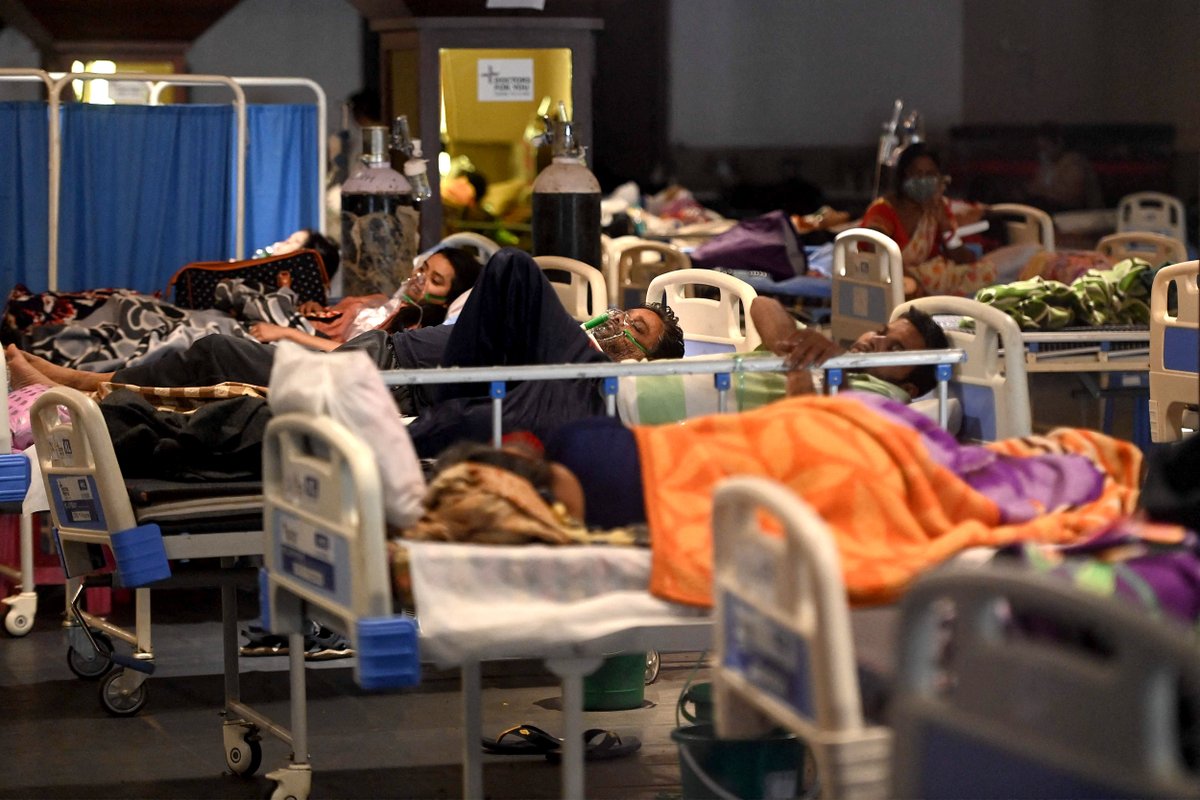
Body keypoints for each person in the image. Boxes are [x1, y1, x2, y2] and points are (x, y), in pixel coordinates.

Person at [6, 248, 685, 458]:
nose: (626, 320)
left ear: (644, 363)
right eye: (633, 311)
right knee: (211, 349)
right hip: (377, 353)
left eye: (643, 331)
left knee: (216, 350)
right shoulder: (556, 333)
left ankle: (83, 386)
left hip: (386, 382)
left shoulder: (578, 379)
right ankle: (86, 382)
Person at [247, 245, 484, 349]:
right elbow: (340, 325)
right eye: (423, 268)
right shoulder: (384, 302)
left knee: (235, 311)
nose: (420, 278)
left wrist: (287, 333)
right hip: (298, 332)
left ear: (446, 299)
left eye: (435, 280)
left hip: (304, 349)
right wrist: (319, 311)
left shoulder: (413, 328)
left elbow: (352, 356)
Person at [1024, 122, 1103, 213]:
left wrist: (1041, 192)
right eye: (1040, 148)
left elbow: (1072, 197)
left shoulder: (1075, 162)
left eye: (1045, 147)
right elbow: (1035, 187)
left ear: (1059, 143)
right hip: (1052, 210)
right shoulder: (1046, 164)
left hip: (1076, 214)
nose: (1042, 153)